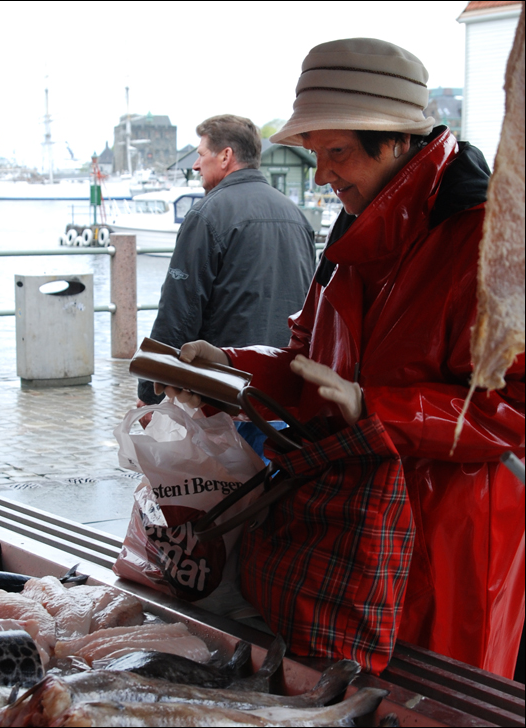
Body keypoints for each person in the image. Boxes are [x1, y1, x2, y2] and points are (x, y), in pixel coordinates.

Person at [154, 38, 525, 678]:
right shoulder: (353, 223)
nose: (323, 175)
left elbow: (511, 405)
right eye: (315, 154)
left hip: (445, 532)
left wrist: (376, 407)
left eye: (338, 153)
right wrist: (232, 369)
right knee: (332, 687)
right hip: (340, 523)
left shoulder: (489, 237)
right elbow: (305, 353)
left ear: (399, 139)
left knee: (428, 702)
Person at [137, 114, 316, 435]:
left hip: (222, 391)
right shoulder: (296, 216)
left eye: (201, 154)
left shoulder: (207, 215)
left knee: (219, 482)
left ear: (225, 156)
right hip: (283, 391)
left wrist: (151, 393)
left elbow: (179, 313)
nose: (195, 165)